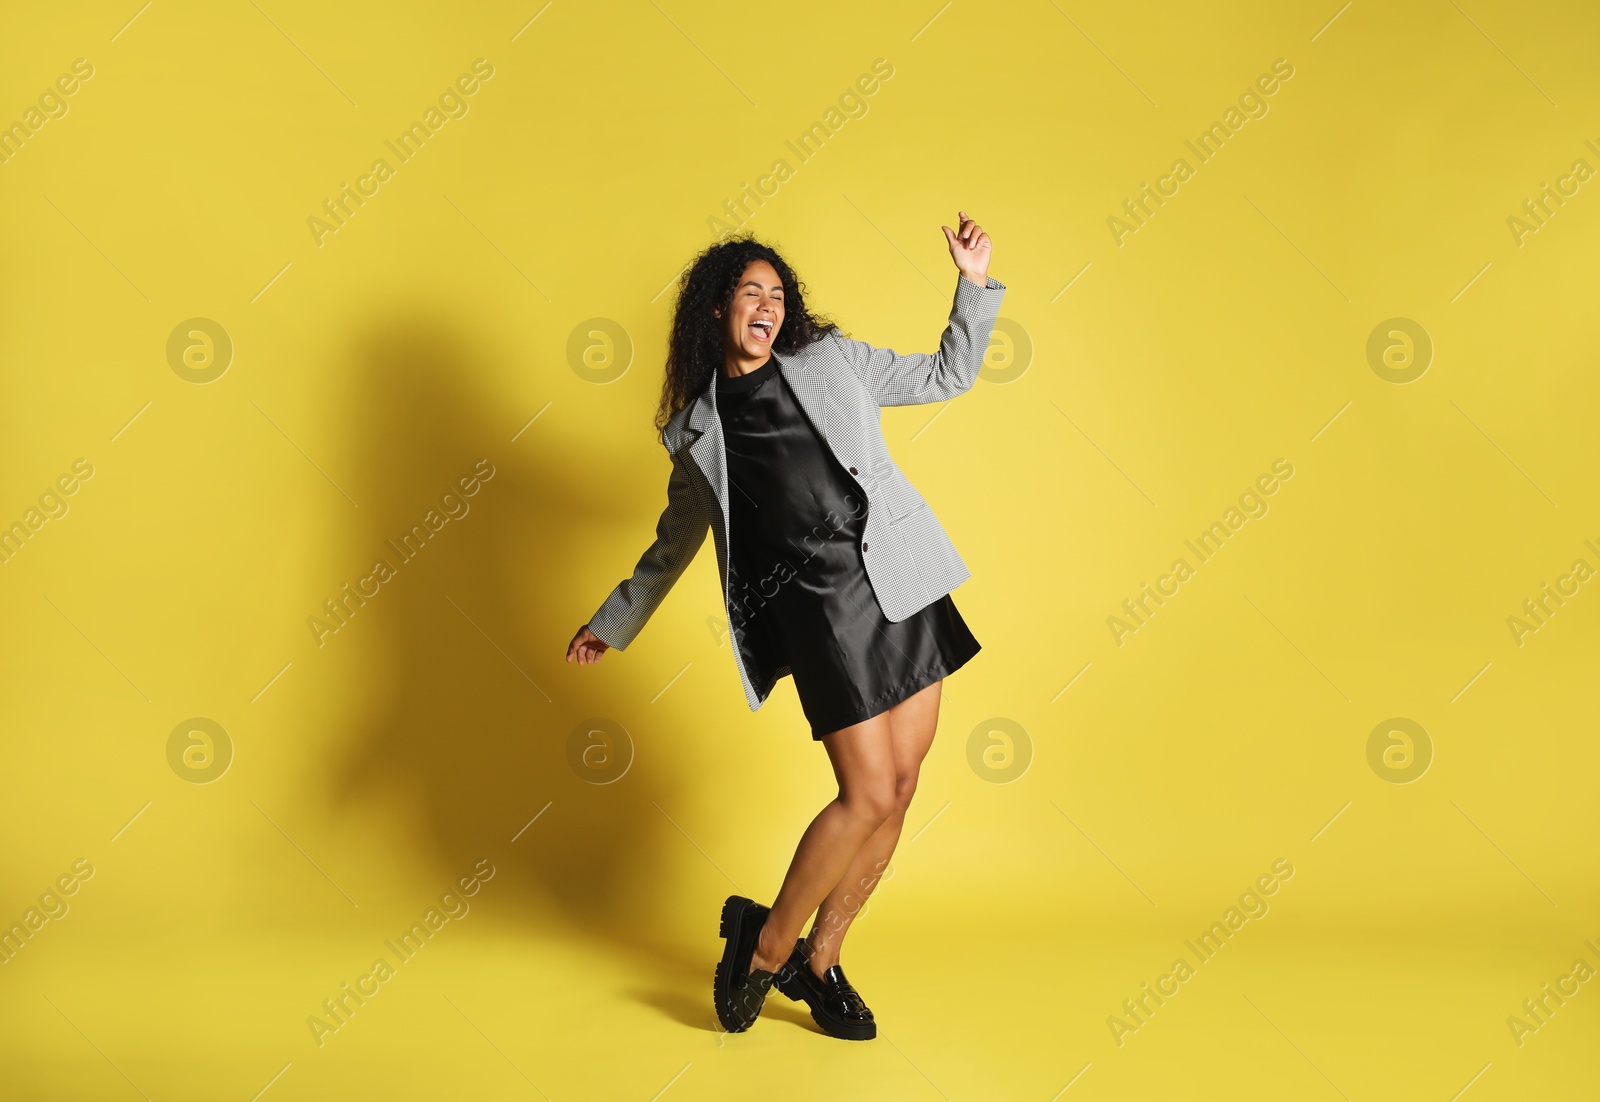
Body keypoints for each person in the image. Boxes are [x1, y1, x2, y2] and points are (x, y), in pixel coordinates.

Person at [566, 213, 1005, 1040]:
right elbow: (674, 545)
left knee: (902, 789)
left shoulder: (831, 362)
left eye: (776, 293)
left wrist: (972, 282)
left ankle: (821, 959)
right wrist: (612, 621)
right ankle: (763, 948)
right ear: (715, 312)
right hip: (819, 614)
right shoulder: (695, 431)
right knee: (866, 792)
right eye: (748, 293)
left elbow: (947, 374)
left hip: (900, 581)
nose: (765, 306)